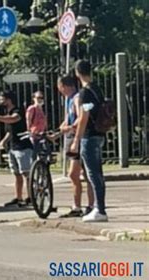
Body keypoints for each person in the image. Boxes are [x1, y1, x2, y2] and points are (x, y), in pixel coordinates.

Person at [70, 59, 108, 222]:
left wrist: (76, 140)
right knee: (97, 174)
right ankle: (100, 208)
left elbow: (83, 118)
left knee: (93, 174)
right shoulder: (97, 89)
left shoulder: (84, 93)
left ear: (77, 73)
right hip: (100, 134)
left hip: (89, 136)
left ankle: (99, 210)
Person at [57, 75, 95, 218]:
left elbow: (81, 117)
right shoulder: (69, 99)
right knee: (76, 174)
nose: (60, 90)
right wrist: (62, 127)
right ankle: (77, 205)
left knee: (80, 173)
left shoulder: (77, 97)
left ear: (64, 86)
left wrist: (71, 128)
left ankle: (90, 205)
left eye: (60, 87)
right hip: (71, 136)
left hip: (78, 136)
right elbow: (69, 116)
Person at [0, 90, 33, 207]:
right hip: (13, 147)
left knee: (26, 173)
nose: (0, 101)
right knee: (17, 174)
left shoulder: (17, 110)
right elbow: (10, 131)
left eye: (2, 98)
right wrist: (3, 141)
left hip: (23, 147)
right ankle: (18, 197)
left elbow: (14, 119)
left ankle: (31, 196)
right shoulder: (7, 112)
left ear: (9, 100)